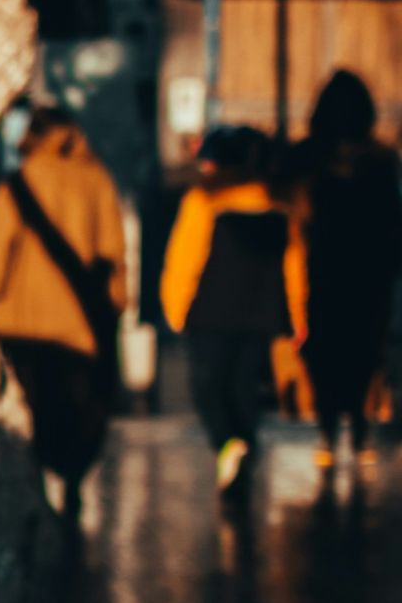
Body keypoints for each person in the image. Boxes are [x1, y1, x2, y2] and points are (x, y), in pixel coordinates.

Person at [0, 108, 127, 520]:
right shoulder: (97, 179)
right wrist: (115, 304)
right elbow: (113, 251)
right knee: (78, 405)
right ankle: (73, 478)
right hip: (77, 326)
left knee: (32, 407)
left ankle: (39, 480)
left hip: (20, 323)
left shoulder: (18, 184)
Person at [160, 126, 309, 496]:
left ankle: (229, 445)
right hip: (261, 312)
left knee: (208, 385)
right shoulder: (278, 205)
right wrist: (298, 315)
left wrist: (175, 307)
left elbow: (184, 258)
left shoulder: (204, 201)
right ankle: (242, 449)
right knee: (244, 386)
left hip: (210, 310)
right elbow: (295, 265)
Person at [293, 71, 402, 471]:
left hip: (326, 269)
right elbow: (392, 219)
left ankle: (330, 427)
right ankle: (355, 424)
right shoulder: (379, 161)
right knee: (360, 352)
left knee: (326, 351)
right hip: (366, 273)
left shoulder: (311, 158)